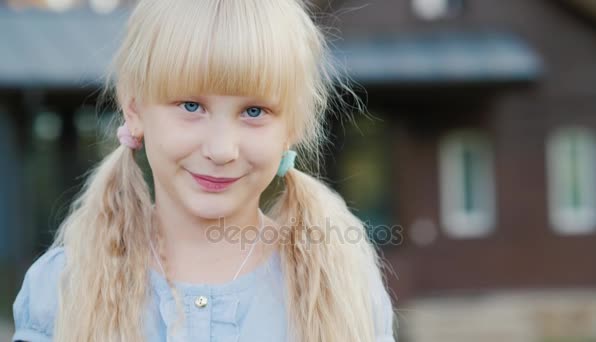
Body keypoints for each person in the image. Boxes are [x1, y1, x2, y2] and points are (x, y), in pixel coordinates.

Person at [12, 0, 396, 341]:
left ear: (290, 130)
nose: (221, 150)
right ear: (134, 109)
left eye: (254, 111)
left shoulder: (342, 286)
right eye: (191, 106)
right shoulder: (64, 287)